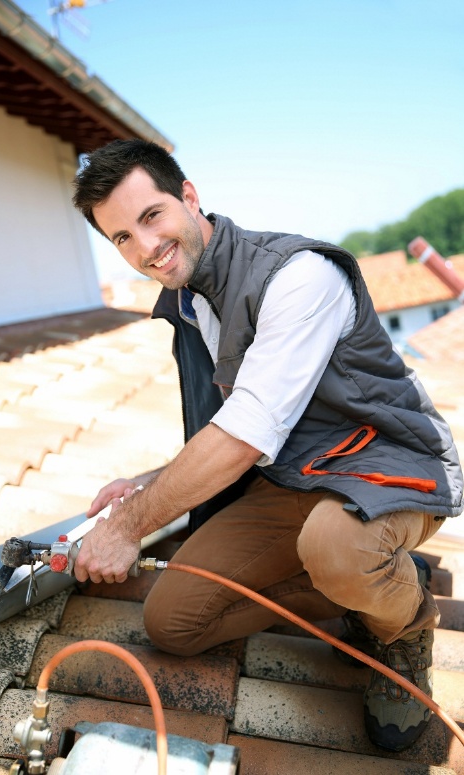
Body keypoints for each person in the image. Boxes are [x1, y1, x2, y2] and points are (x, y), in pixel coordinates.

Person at [72, 139, 463, 752]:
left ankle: (403, 626)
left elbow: (247, 428)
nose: (145, 248)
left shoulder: (298, 274)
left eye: (151, 217)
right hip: (292, 479)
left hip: (386, 466)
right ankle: (367, 581)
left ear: (188, 197)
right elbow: (223, 425)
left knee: (335, 545)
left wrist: (128, 527)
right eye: (121, 237)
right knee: (171, 622)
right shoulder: (189, 302)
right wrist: (151, 488)